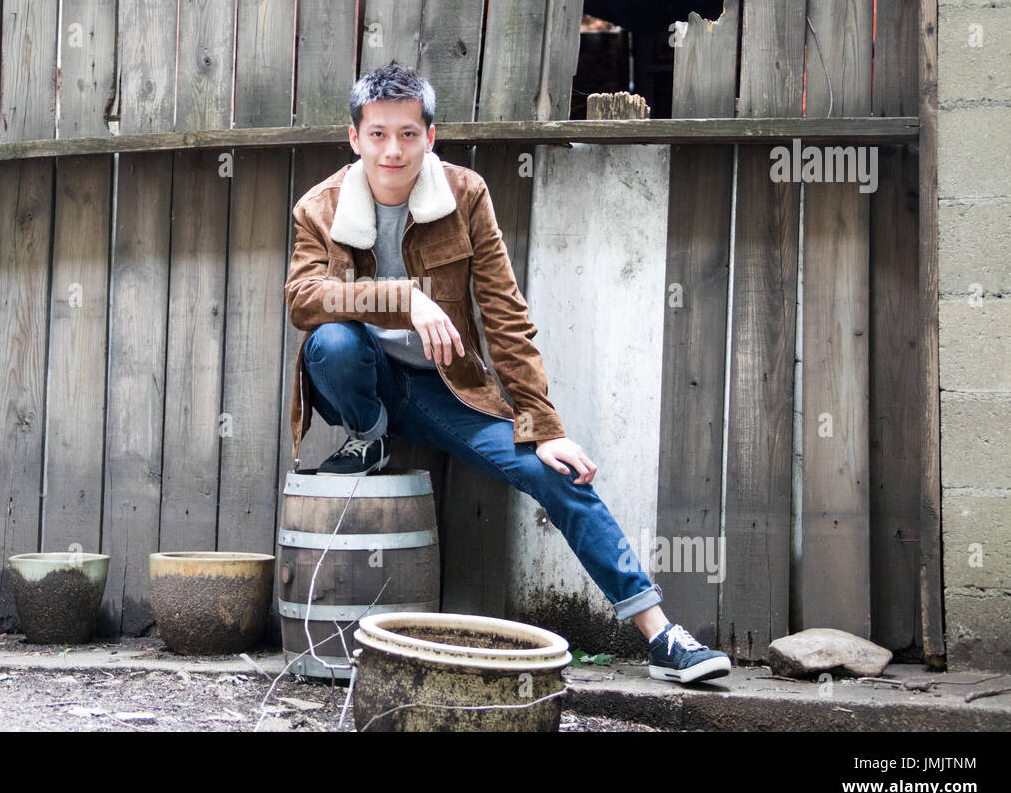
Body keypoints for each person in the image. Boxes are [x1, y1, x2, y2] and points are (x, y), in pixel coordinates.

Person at [283, 60, 731, 684]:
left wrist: (544, 426)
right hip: (363, 376)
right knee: (332, 340)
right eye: (378, 134)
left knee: (557, 474)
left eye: (409, 134)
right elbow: (304, 297)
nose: (393, 149)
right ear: (354, 138)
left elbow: (505, 317)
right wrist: (404, 298)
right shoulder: (321, 205)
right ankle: (370, 434)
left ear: (430, 137)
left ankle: (661, 635)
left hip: (448, 386)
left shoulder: (464, 196)